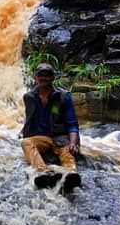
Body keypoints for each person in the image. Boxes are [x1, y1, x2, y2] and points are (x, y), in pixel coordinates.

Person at [20, 63, 82, 193]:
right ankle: (43, 172)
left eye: (47, 75)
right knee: (26, 142)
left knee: (67, 152)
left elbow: (72, 124)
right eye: (40, 75)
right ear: (35, 77)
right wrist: (23, 130)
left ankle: (71, 174)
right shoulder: (29, 97)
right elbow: (29, 118)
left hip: (61, 137)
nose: (43, 78)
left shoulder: (64, 96)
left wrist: (73, 142)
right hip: (42, 138)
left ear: (53, 78)